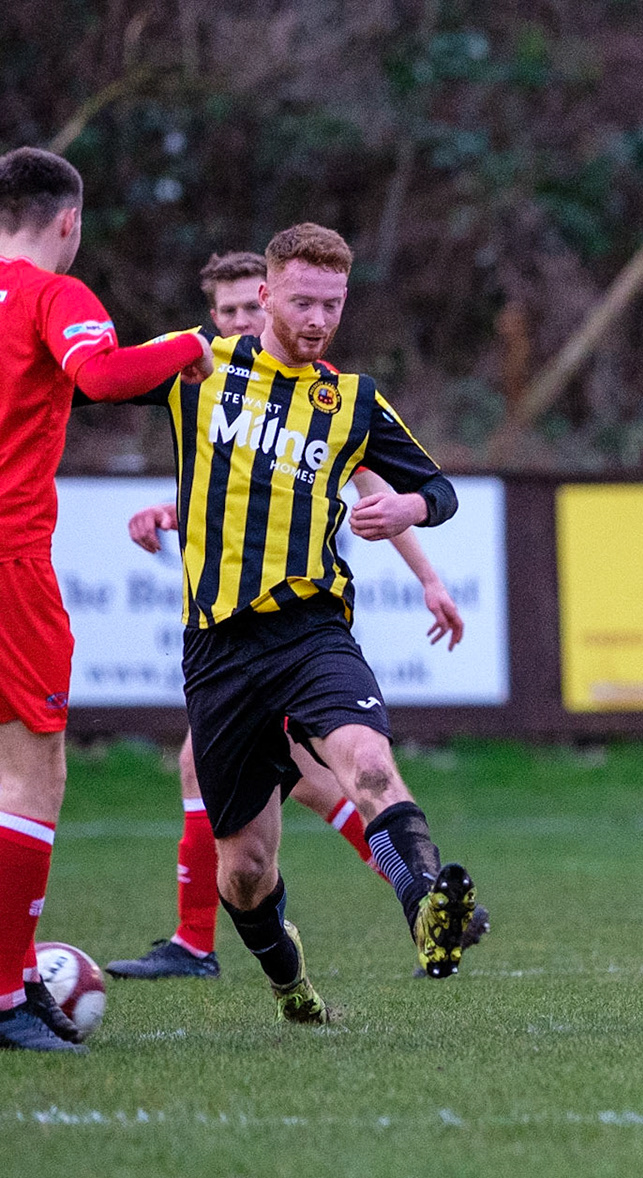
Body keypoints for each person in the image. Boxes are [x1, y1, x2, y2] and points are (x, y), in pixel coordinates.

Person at [121, 221, 476, 1023]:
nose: (318, 320)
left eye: (333, 305)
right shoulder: (197, 367)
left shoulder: (351, 402)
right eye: (304, 302)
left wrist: (411, 506)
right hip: (219, 651)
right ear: (266, 296)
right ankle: (289, 982)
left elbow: (439, 490)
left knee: (371, 766)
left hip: (312, 632)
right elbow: (93, 377)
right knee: (245, 867)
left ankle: (428, 912)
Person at [0, 147, 212, 1051]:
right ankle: (8, 999)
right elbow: (104, 376)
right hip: (9, 563)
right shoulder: (56, 296)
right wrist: (192, 347)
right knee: (32, 771)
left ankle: (11, 979)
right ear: (69, 223)